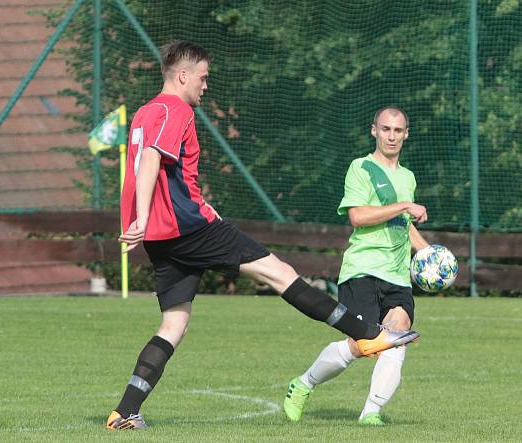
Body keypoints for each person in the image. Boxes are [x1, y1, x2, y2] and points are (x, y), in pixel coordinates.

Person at [106, 42, 420, 431]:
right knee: (279, 272)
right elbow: (153, 158)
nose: (205, 86)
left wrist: (147, 219)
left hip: (164, 237)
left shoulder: (145, 111)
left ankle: (125, 410)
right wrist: (141, 216)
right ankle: (367, 333)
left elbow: (166, 175)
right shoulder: (177, 109)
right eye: (203, 78)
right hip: (187, 228)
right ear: (183, 76)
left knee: (173, 325)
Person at [282, 106, 430, 426]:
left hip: (397, 274)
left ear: (407, 134)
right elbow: (358, 217)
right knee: (363, 345)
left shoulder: (407, 177)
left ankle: (371, 413)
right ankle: (303, 384)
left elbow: (403, 224)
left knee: (398, 333)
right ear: (373, 130)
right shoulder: (361, 168)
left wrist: (429, 253)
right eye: (386, 129)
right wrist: (404, 205)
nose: (392, 136)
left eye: (398, 130)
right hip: (362, 270)